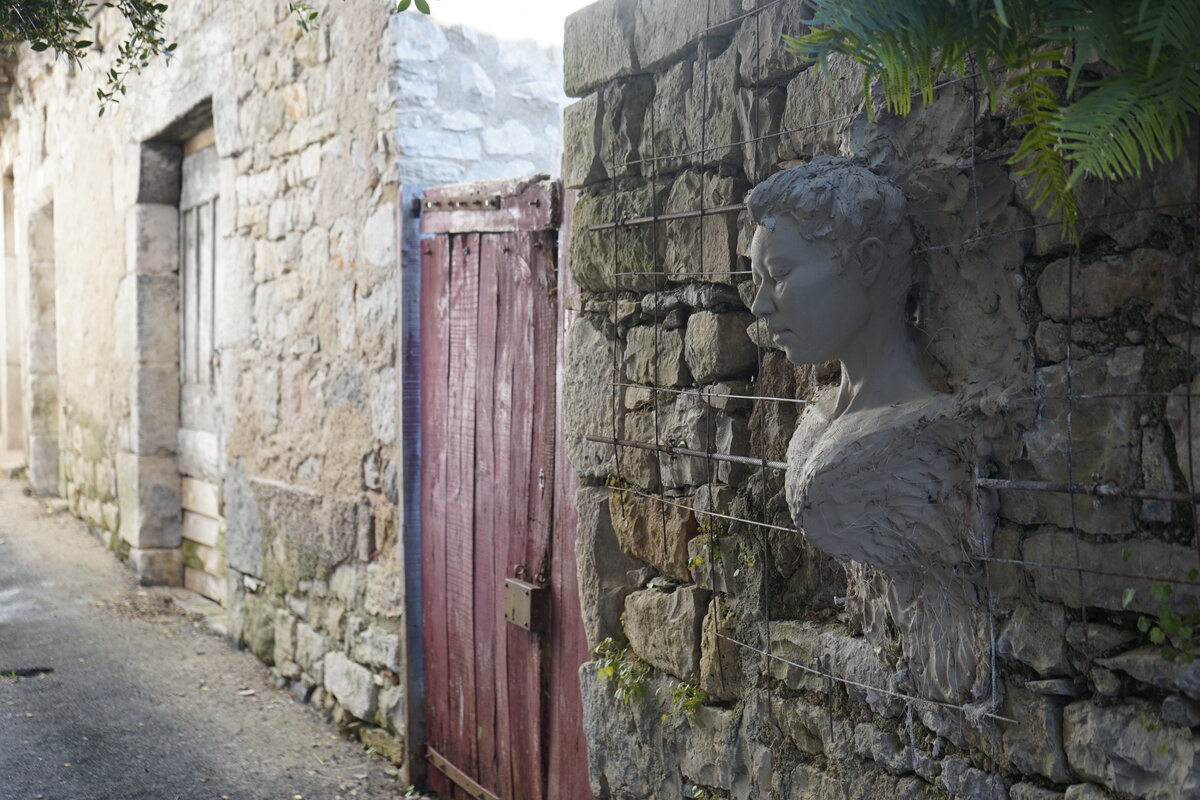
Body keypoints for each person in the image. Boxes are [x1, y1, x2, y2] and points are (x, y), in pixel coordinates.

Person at [747, 157, 985, 704]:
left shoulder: (919, 434)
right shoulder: (828, 417)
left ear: (867, 261)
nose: (760, 305)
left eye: (779, 275)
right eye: (757, 280)